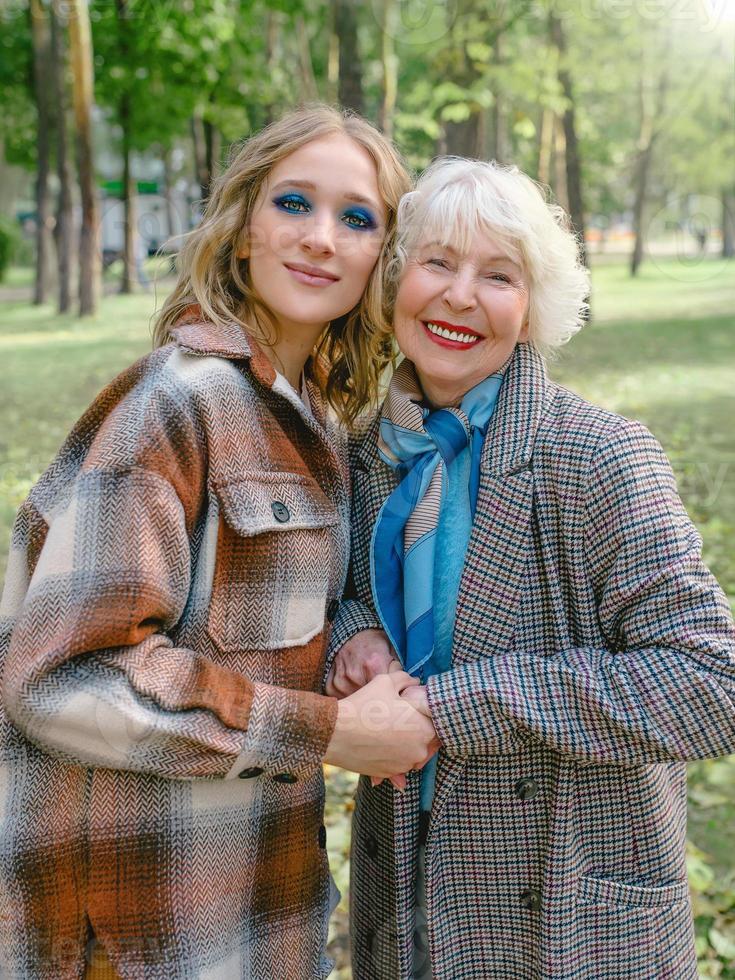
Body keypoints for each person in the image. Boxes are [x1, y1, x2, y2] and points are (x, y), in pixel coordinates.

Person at [0, 105, 438, 980]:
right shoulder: (178, 404)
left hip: (259, 913)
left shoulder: (316, 416)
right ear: (242, 232)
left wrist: (349, 640)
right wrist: (327, 733)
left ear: (379, 261)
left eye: (356, 218)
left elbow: (259, 629)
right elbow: (59, 676)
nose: (320, 237)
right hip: (131, 934)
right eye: (292, 204)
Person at [326, 157, 735, 979]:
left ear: (532, 309)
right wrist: (355, 635)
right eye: (436, 262)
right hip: (404, 880)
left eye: (498, 275)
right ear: (395, 279)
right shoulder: (361, 450)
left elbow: (712, 685)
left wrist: (460, 707)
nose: (459, 295)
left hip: (567, 909)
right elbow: (339, 591)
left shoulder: (599, 458)